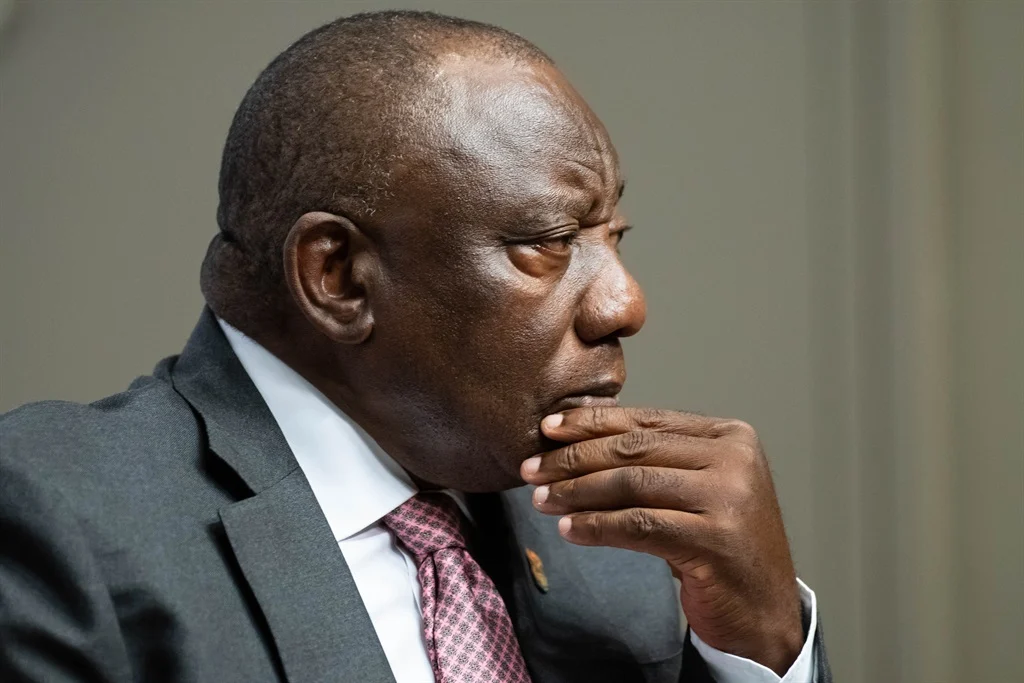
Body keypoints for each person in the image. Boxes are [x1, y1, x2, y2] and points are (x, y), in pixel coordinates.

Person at [0, 10, 831, 683]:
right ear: (338, 277)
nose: (626, 303)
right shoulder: (53, 517)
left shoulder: (620, 546)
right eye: (548, 241)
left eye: (614, 236)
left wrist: (761, 641)